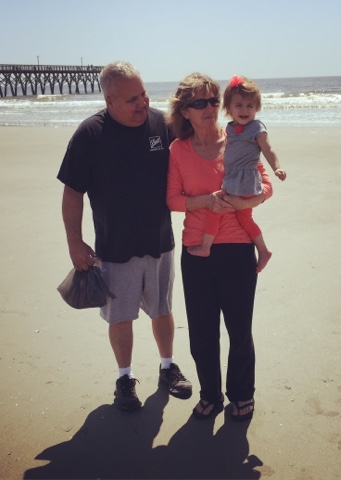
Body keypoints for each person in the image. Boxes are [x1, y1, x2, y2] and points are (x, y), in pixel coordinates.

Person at [57, 61, 192, 411]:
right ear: (109, 100)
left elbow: (199, 149)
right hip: (115, 247)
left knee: (162, 309)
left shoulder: (162, 125)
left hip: (159, 241)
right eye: (132, 99)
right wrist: (74, 241)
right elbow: (72, 192)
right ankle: (124, 379)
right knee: (121, 316)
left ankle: (167, 367)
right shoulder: (90, 134)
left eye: (144, 94)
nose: (142, 103)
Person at [166, 72, 273, 421]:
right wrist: (206, 202)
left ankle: (242, 394)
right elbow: (172, 199)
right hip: (196, 249)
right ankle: (210, 394)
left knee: (239, 330)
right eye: (200, 103)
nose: (209, 108)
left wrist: (249, 201)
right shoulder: (178, 150)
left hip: (238, 249)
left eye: (213, 100)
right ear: (185, 111)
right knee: (202, 332)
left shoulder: (239, 136)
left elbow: (266, 181)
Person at [187, 75, 286, 273]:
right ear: (228, 108)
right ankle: (263, 250)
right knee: (243, 218)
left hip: (244, 182)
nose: (244, 110)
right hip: (233, 180)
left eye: (250, 106)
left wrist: (276, 167)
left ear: (257, 108)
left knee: (220, 212)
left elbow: (268, 149)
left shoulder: (256, 128)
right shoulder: (231, 128)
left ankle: (207, 247)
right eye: (239, 105)